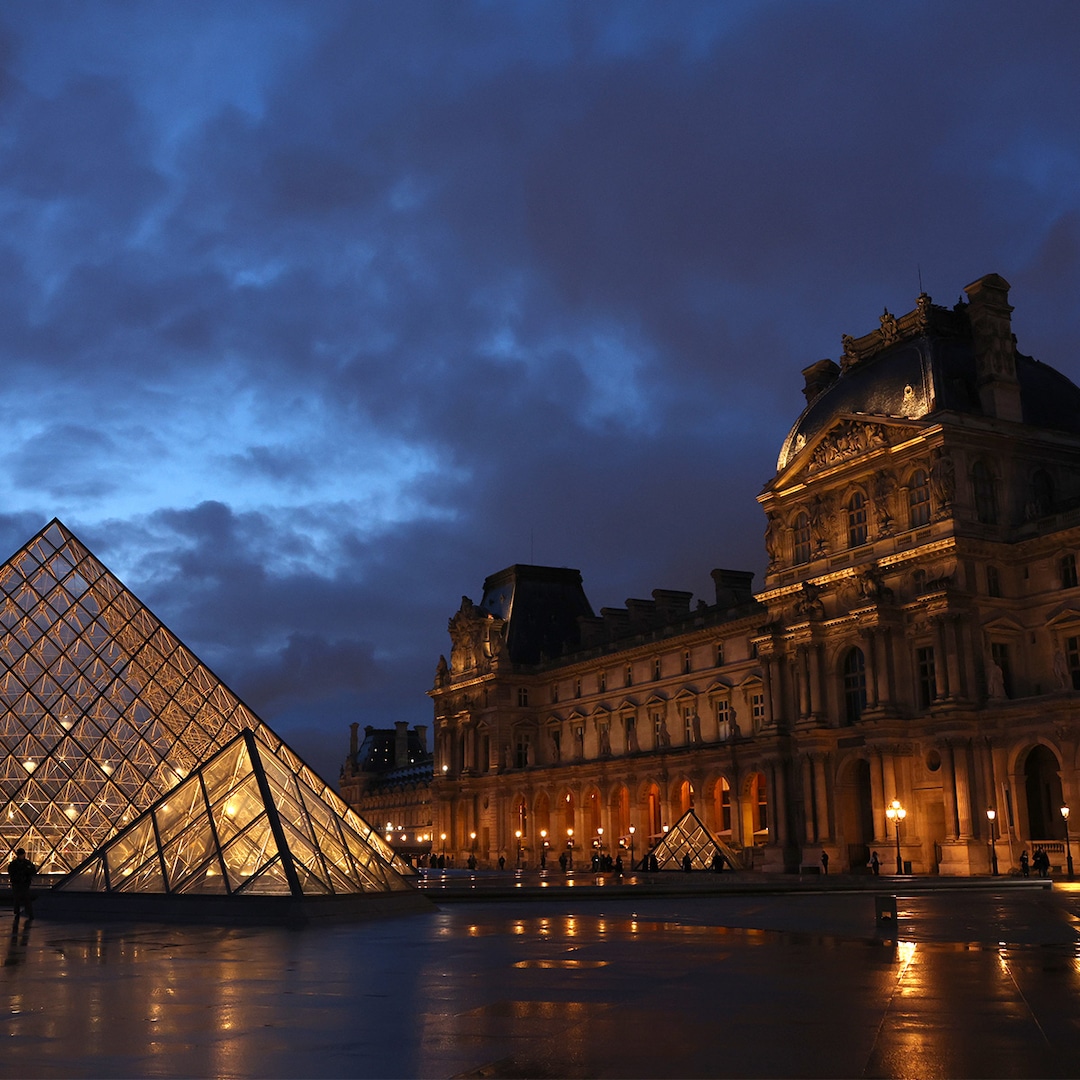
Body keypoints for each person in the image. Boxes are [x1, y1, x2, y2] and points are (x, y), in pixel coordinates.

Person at [8, 848, 35, 921]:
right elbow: (11, 872)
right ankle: (18, 912)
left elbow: (33, 871)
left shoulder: (25, 863)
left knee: (26, 899)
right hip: (17, 883)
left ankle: (28, 913)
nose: (21, 856)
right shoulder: (16, 864)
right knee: (18, 898)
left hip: (24, 883)